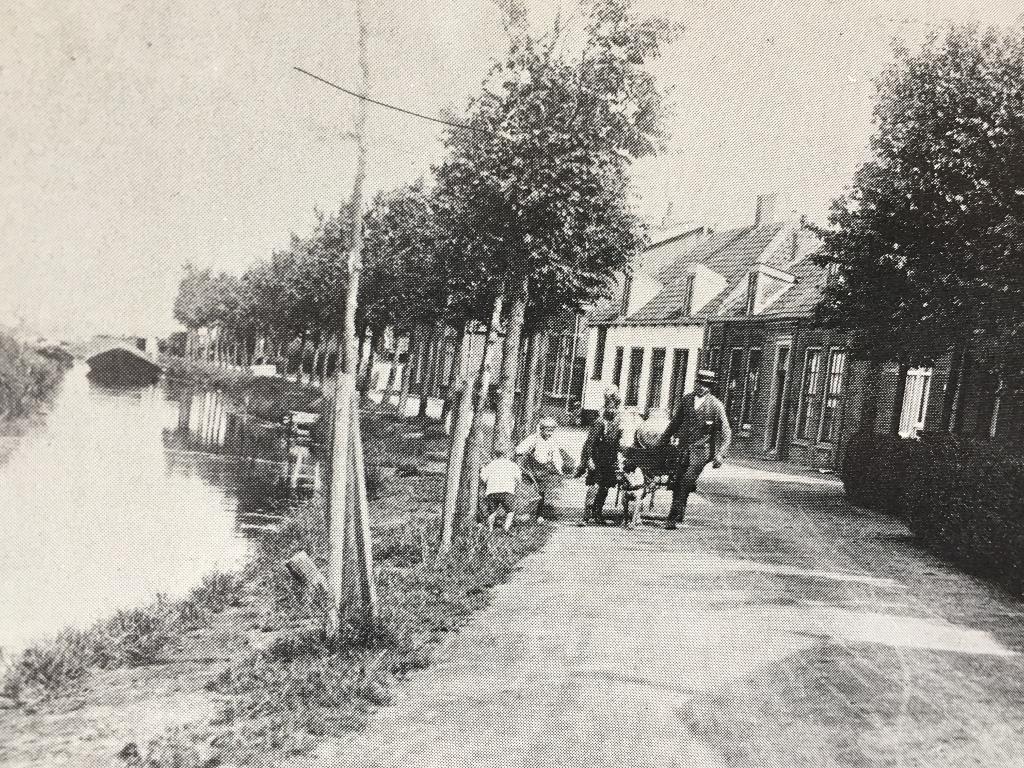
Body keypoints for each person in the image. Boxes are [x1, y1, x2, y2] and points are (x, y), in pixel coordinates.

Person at [656, 369, 732, 529]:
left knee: (686, 481)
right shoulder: (687, 400)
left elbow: (726, 432)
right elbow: (675, 423)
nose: (701, 387)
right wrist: (662, 441)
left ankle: (672, 517)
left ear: (710, 387)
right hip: (683, 448)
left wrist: (720, 455)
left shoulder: (716, 406)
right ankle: (680, 509)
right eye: (699, 383)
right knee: (678, 480)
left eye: (705, 385)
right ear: (695, 383)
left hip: (701, 452)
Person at [576, 403, 622, 525]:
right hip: (597, 457)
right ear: (606, 407)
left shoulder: (617, 423)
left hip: (609, 459)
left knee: (605, 487)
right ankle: (586, 517)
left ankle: (598, 514)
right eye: (610, 407)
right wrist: (589, 459)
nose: (613, 410)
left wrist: (617, 459)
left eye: (615, 407)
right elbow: (590, 442)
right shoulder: (599, 422)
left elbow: (616, 444)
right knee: (594, 485)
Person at [515, 417, 565, 520]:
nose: (549, 433)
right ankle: (524, 513)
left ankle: (539, 514)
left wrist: (559, 469)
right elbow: (519, 449)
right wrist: (521, 452)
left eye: (552, 431)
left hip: (543, 469)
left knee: (542, 492)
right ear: (541, 429)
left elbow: (556, 457)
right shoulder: (534, 438)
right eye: (547, 431)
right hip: (530, 468)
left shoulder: (552, 442)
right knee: (527, 492)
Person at [480, 446, 522, 532]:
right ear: (506, 455)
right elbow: (519, 478)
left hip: (492, 491)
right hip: (507, 491)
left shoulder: (491, 464)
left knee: (492, 512)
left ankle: (490, 529)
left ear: (495, 455)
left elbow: (483, 478)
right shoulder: (512, 464)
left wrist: (483, 469)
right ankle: (506, 527)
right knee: (510, 511)